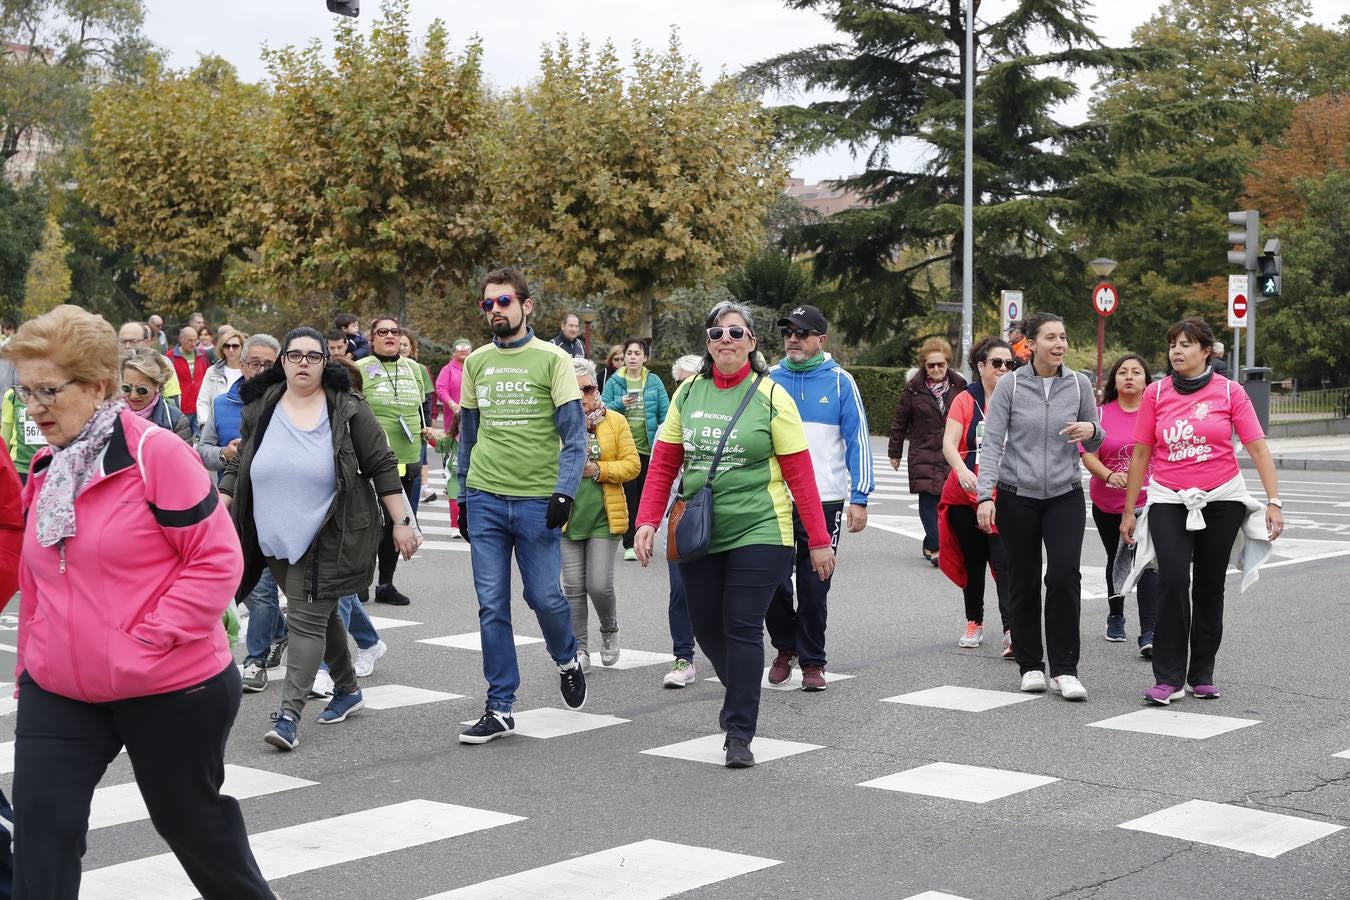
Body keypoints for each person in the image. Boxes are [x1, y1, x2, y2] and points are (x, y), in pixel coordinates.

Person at [3, 305, 274, 899]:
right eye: (25, 392)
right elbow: (41, 579)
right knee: (43, 834)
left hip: (167, 682)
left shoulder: (156, 454)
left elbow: (217, 559)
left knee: (194, 827)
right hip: (63, 689)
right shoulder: (48, 466)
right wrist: (30, 666)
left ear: (98, 386)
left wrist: (148, 637)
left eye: (48, 390)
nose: (34, 407)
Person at [633, 301, 836, 768]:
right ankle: (742, 689)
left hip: (761, 527)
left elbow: (800, 475)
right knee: (706, 626)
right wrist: (646, 521)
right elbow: (664, 463)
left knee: (742, 626)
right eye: (717, 333)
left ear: (752, 343)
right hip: (699, 528)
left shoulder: (771, 396)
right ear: (707, 343)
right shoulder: (688, 394)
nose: (726, 339)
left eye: (736, 333)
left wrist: (819, 539)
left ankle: (740, 730)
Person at [220, 327, 417, 751]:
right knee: (322, 615)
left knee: (306, 617)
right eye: (296, 356)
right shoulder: (264, 405)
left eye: (314, 356)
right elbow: (244, 459)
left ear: (325, 363)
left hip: (331, 533)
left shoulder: (346, 407)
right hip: (271, 536)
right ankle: (347, 689)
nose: (304, 363)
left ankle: (289, 715)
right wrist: (222, 499)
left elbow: (382, 463)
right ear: (284, 363)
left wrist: (402, 521)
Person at [456, 266, 589, 744]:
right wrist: (462, 496)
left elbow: (575, 439)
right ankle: (501, 706)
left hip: (537, 501)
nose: (495, 311)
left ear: (526, 305)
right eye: (487, 304)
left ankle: (567, 656)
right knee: (491, 605)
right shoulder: (476, 364)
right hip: (487, 497)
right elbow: (467, 439)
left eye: (504, 302)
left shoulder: (553, 360)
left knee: (545, 597)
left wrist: (564, 492)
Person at [1120, 318, 1282, 706]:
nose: (1177, 351)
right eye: (1173, 344)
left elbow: (1257, 446)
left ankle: (1202, 673)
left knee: (1209, 586)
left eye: (1186, 344)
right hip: (1168, 499)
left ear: (1206, 351)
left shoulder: (1230, 392)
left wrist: (1274, 502)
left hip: (1222, 498)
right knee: (1173, 580)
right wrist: (1130, 510)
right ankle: (1168, 678)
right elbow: (1141, 452)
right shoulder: (1156, 394)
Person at [976, 312, 1103, 701]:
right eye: (1051, 337)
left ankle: (1066, 669)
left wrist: (1092, 431)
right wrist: (985, 496)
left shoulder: (1079, 383)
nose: (1059, 344)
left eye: (1063, 337)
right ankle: (1031, 664)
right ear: (1030, 344)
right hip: (1018, 495)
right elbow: (993, 442)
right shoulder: (1011, 386)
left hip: (1065, 494)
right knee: (1024, 578)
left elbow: (1097, 439)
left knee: (1064, 576)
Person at [765, 304, 872, 690]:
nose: (793, 338)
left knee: (814, 586)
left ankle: (812, 661)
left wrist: (859, 497)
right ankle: (784, 646)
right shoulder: (770, 380)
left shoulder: (841, 382)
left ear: (820, 340)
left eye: (802, 332)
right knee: (771, 581)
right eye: (788, 332)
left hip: (825, 500)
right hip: (775, 499)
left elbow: (858, 441)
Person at [197, 335, 289, 693]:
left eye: (269, 364)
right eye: (255, 363)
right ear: (242, 364)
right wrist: (225, 454)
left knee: (270, 589)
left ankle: (254, 661)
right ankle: (276, 636)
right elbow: (202, 449)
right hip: (235, 505)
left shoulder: (290, 402)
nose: (261, 370)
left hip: (279, 506)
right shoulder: (223, 404)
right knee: (253, 588)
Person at [563, 357, 640, 670]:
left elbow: (633, 465)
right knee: (572, 587)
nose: (583, 395)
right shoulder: (555, 422)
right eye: (575, 390)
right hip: (567, 518)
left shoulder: (616, 421)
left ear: (597, 387)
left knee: (598, 585)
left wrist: (599, 469)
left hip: (605, 516)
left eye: (588, 388)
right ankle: (579, 649)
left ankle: (609, 629)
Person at [1080, 354, 1160, 654]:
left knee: (1148, 562)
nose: (1129, 376)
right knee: (1118, 558)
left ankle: (1150, 632)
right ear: (1114, 380)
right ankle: (1116, 615)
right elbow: (1087, 453)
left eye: (1136, 372)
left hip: (1147, 501)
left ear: (1146, 380)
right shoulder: (1100, 415)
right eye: (1123, 372)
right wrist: (1109, 475)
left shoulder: (1156, 413)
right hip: (1107, 502)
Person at [939, 337, 1014, 655]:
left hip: (1003, 493)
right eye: (996, 363)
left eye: (1009, 364)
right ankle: (974, 621)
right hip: (964, 492)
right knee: (973, 561)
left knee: (1004, 561)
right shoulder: (965, 400)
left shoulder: (1017, 398)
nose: (1003, 369)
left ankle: (1012, 628)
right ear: (981, 366)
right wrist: (962, 470)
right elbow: (948, 444)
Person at [359, 316, 427, 606]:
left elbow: (421, 408)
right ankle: (360, 582)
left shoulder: (414, 369)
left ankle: (386, 583)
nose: (390, 336)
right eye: (382, 332)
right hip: (371, 462)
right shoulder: (360, 369)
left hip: (409, 458)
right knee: (367, 525)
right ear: (372, 338)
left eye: (394, 332)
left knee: (396, 525)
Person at [889, 338, 967, 566]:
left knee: (949, 502)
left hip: (952, 453)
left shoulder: (959, 386)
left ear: (948, 364)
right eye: (931, 365)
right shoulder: (913, 389)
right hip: (923, 451)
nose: (936, 369)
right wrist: (895, 452)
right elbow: (900, 422)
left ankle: (931, 541)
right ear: (924, 365)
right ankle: (936, 547)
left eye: (940, 364)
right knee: (928, 501)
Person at [601, 337, 670, 561]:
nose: (632, 357)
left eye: (637, 353)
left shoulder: (655, 382)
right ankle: (630, 543)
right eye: (629, 353)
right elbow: (602, 411)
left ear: (645, 358)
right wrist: (621, 402)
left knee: (645, 497)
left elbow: (665, 413)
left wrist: (665, 441)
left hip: (648, 448)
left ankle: (645, 539)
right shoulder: (614, 382)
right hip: (623, 449)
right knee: (629, 497)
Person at [660, 354, 704, 688]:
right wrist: (648, 522)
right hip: (680, 513)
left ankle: (728, 650)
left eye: (694, 380)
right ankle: (683, 657)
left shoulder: (714, 416)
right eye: (681, 382)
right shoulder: (669, 424)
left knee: (720, 591)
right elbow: (659, 475)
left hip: (719, 512)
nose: (686, 387)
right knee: (680, 590)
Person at [435, 337, 472, 533]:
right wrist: (451, 404)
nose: (464, 350)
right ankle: (452, 482)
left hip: (473, 418)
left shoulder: (474, 366)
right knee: (454, 455)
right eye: (460, 347)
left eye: (467, 347)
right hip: (455, 421)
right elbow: (441, 389)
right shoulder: (448, 369)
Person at [119, 348, 194, 442]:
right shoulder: (111, 416)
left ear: (157, 384)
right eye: (126, 388)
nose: (133, 395)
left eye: (142, 390)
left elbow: (183, 456)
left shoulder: (175, 421)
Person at [398, 330, 438, 505]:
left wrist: (427, 427)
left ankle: (412, 520)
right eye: (399, 344)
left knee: (414, 474)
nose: (401, 348)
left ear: (412, 347)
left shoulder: (420, 370)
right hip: (393, 431)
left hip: (415, 431)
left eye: (405, 344)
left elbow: (426, 402)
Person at [196, 326, 246, 434]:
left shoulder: (248, 372)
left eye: (235, 346)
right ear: (222, 349)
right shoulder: (212, 371)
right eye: (227, 346)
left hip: (242, 427)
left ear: (242, 348)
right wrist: (204, 425)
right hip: (215, 427)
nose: (231, 349)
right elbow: (203, 400)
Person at [118, 320, 181, 401]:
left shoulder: (162, 363)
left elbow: (173, 398)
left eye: (133, 341)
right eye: (123, 341)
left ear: (146, 342)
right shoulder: (110, 365)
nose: (127, 346)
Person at [168, 324, 209, 434]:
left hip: (200, 408)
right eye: (189, 340)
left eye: (195, 340)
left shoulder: (203, 356)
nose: (193, 344)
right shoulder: (170, 357)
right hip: (181, 409)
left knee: (201, 441)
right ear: (181, 339)